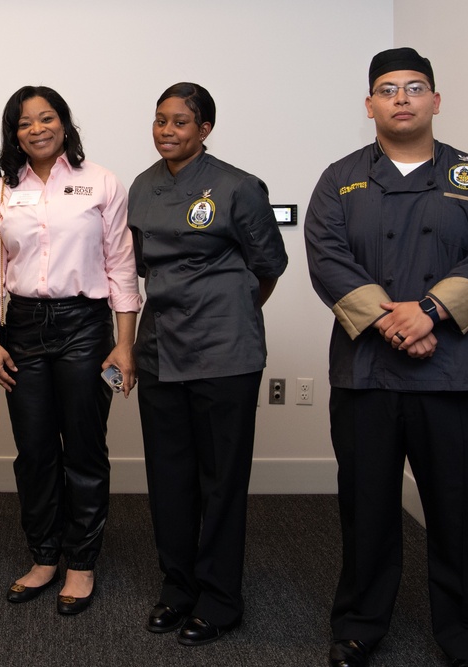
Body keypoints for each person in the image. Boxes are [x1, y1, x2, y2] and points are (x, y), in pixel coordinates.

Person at [305, 48, 468, 667]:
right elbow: (327, 259)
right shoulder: (339, 179)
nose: (401, 97)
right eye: (387, 89)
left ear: (435, 100)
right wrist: (395, 321)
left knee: (459, 516)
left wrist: (427, 312)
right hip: (367, 376)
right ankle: (359, 624)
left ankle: (465, 636)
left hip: (460, 377)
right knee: (367, 510)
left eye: (415, 87)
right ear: (370, 105)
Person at [127, 83, 288, 645]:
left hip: (225, 355)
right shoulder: (142, 188)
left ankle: (220, 599)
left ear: (205, 129)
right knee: (169, 479)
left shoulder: (238, 187)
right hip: (161, 349)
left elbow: (269, 265)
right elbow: (140, 270)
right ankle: (178, 588)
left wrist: (229, 311)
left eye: (180, 122)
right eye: (160, 121)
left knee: (220, 482)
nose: (168, 131)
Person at [0, 86, 141, 615]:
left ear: (65, 124)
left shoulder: (101, 183)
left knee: (85, 450)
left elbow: (121, 267)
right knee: (36, 451)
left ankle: (81, 563)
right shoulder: (0, 191)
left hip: (85, 328)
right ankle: (44, 556)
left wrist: (124, 344)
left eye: (47, 118)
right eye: (25, 123)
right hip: (22, 329)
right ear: (14, 134)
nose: (37, 129)